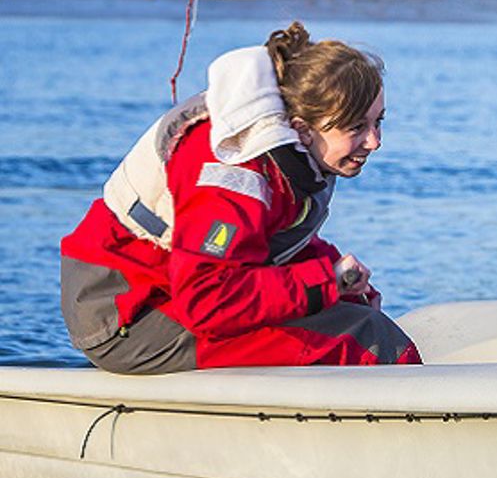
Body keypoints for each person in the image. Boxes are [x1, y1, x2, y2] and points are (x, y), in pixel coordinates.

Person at [60, 23, 421, 373]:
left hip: (172, 294)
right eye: (357, 127)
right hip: (131, 315)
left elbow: (261, 241)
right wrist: (324, 281)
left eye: (378, 122)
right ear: (301, 129)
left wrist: (338, 278)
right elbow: (206, 299)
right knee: (367, 338)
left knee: (357, 314)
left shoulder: (288, 152)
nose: (375, 142)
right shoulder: (232, 172)